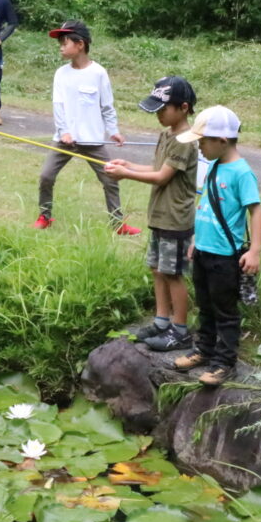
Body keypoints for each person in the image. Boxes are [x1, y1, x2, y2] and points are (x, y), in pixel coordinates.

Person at [171, 106, 261, 386]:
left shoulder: (241, 173)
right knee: (205, 305)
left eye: (202, 141)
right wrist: (196, 240)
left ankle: (224, 363)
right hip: (203, 251)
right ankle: (204, 350)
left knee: (225, 311)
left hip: (225, 257)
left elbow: (256, 211)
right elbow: (206, 204)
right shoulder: (212, 167)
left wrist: (255, 250)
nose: (199, 147)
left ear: (222, 141)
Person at [104, 77, 198, 351]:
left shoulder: (184, 140)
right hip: (160, 216)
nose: (158, 115)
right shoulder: (167, 134)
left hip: (175, 219)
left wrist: (126, 175)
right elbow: (155, 167)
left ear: (182, 108)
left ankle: (179, 330)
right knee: (157, 269)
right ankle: (161, 321)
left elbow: (161, 178)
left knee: (173, 273)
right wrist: (128, 164)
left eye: (162, 109)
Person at [35, 20, 140, 236]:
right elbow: (58, 105)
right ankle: (45, 216)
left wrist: (114, 131)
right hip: (65, 139)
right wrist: (64, 131)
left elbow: (107, 106)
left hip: (92, 140)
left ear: (80, 44)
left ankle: (117, 223)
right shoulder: (61, 74)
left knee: (110, 179)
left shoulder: (99, 73)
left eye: (64, 42)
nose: (61, 47)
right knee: (46, 176)